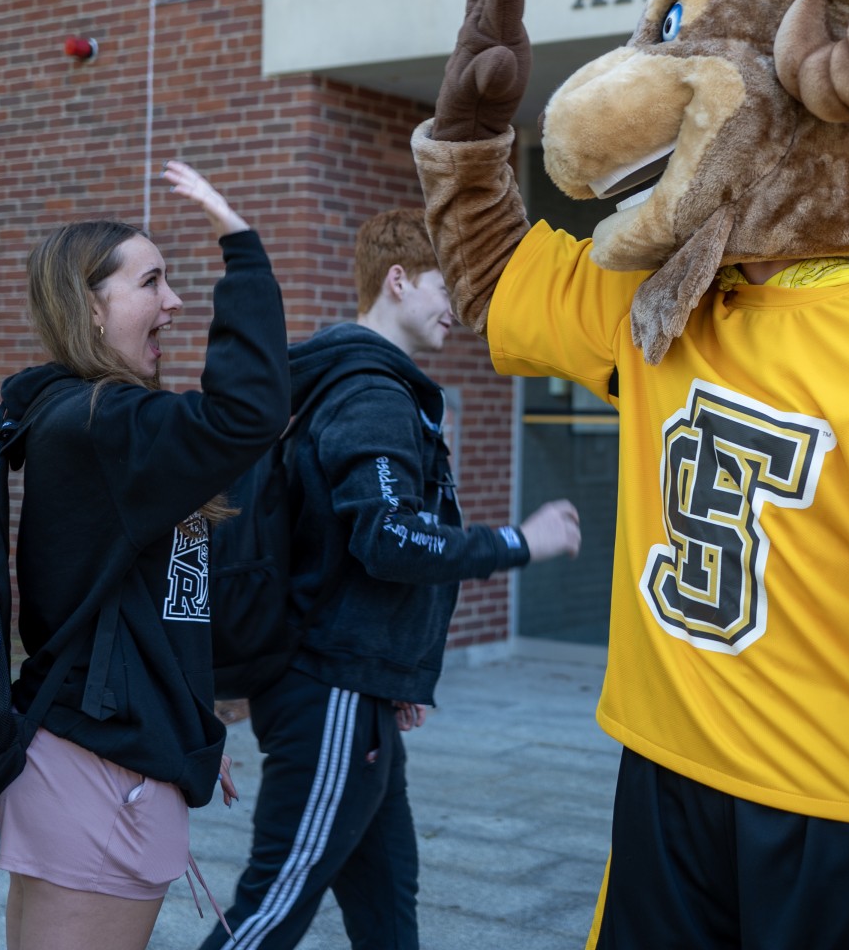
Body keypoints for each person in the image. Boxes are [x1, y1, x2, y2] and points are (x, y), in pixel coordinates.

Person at [410, 0, 849, 949]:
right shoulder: (656, 311)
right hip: (661, 782)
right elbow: (495, 279)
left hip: (835, 816)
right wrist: (470, 145)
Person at [199, 207, 581, 950]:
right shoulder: (371, 392)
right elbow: (390, 537)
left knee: (386, 904)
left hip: (356, 688)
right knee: (273, 906)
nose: (459, 310)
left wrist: (394, 668)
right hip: (330, 694)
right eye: (447, 288)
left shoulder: (357, 384)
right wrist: (518, 541)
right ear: (397, 281)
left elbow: (350, 548)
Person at [0, 160, 290, 950]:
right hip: (102, 770)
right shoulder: (100, 425)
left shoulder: (114, 430)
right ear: (91, 310)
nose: (176, 301)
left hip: (121, 756)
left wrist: (189, 726)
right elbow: (248, 412)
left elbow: (160, 604)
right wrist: (242, 245)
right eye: (153, 282)